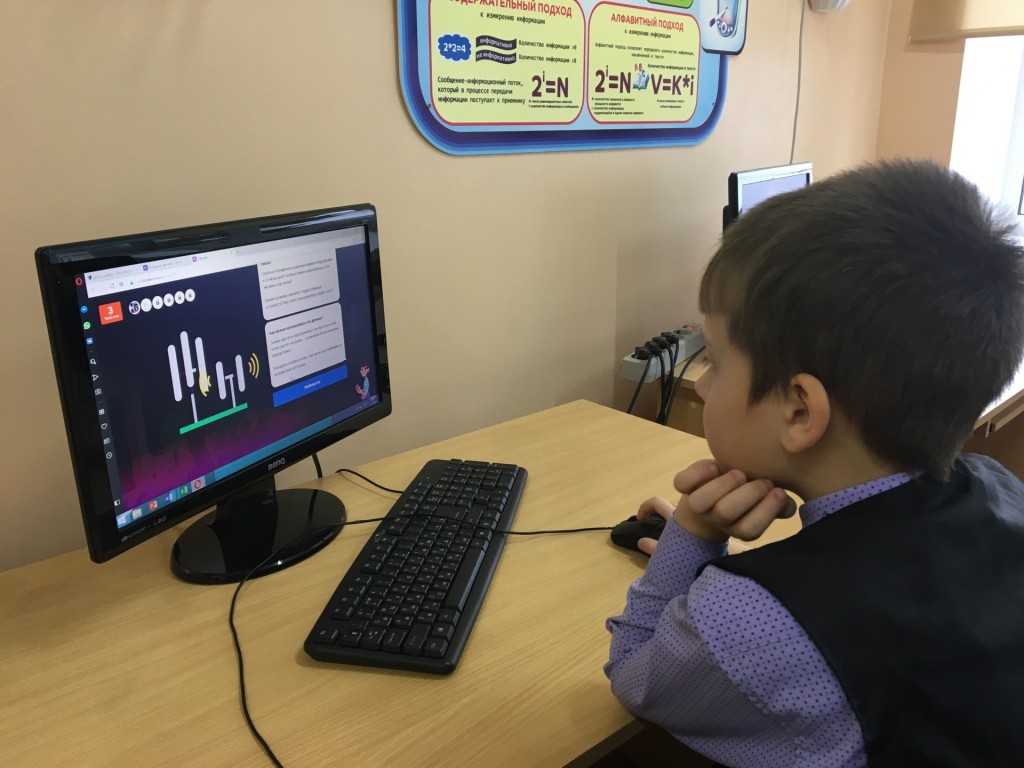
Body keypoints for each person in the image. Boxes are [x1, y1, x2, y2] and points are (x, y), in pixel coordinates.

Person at [604, 159, 1024, 767]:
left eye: (715, 361)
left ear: (800, 411)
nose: (705, 384)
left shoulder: (759, 620)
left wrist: (693, 531)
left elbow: (634, 675)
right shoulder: (998, 486)